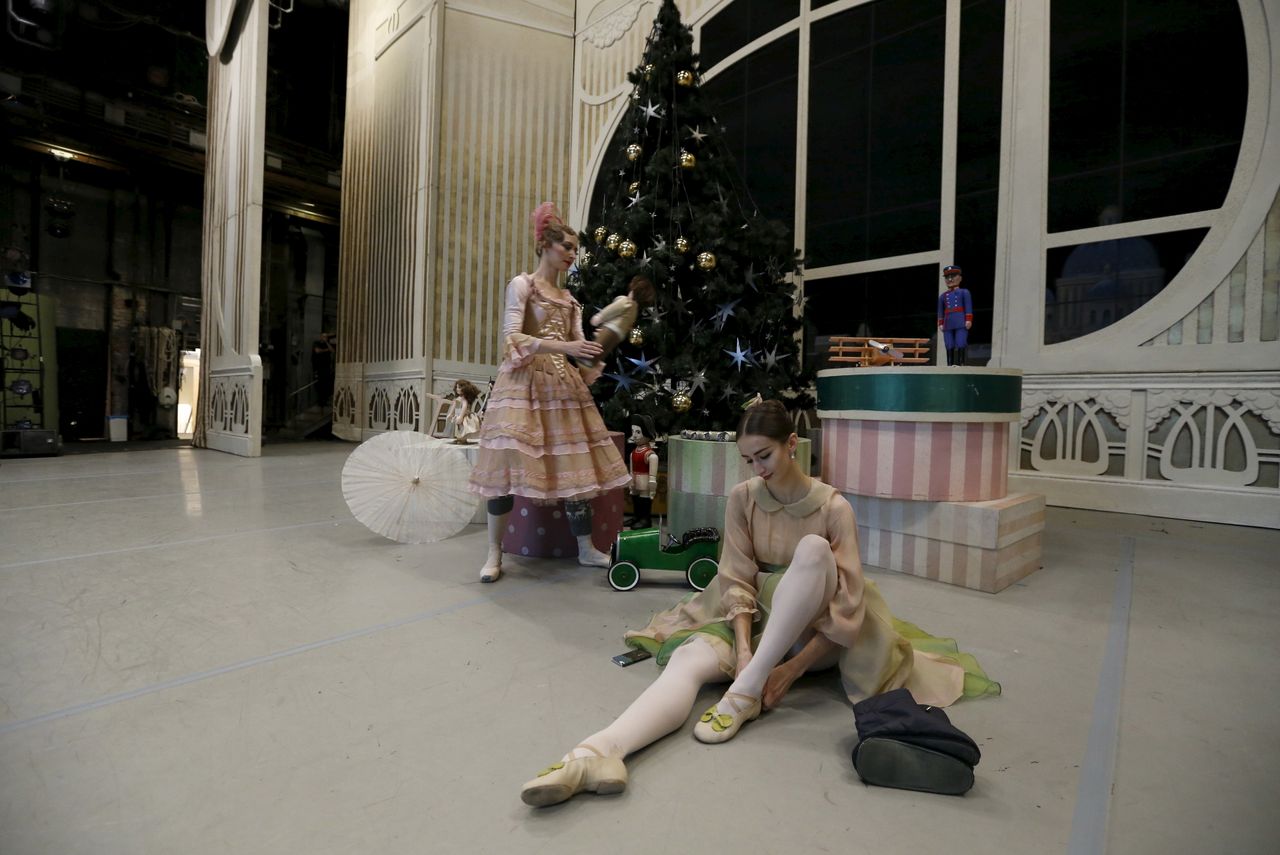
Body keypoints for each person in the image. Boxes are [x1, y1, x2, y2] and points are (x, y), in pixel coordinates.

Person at [519, 399, 998, 807]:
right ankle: (597, 752)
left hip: (817, 630)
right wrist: (747, 650)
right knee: (687, 660)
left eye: (764, 455)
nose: (757, 468)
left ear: (793, 444)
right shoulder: (744, 497)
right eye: (749, 459)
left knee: (812, 551)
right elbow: (736, 576)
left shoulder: (834, 507)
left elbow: (846, 610)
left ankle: (743, 693)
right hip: (753, 618)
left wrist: (787, 671)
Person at [468, 203, 630, 583]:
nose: (573, 255)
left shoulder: (570, 300)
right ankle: (495, 551)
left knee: (575, 466)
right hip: (523, 385)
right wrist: (568, 350)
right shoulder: (522, 284)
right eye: (567, 247)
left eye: (575, 249)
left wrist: (596, 353)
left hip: (561, 387)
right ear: (546, 245)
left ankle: (586, 548)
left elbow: (578, 347)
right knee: (505, 471)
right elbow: (512, 338)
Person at [580, 274, 657, 371]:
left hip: (611, 328)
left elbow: (612, 310)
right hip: (619, 335)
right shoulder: (635, 310)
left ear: (633, 292)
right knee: (605, 348)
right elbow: (629, 324)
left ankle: (588, 359)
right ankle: (593, 362)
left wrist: (600, 317)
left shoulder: (625, 301)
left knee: (599, 344)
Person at [627, 414, 659, 529]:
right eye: (633, 431)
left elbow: (652, 474)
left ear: (647, 432)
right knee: (635, 499)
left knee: (644, 500)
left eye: (638, 432)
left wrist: (652, 484)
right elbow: (631, 469)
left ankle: (645, 519)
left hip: (645, 482)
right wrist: (631, 481)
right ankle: (637, 517)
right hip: (635, 480)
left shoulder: (650, 455)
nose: (634, 435)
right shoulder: (633, 452)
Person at [937, 265, 972, 366]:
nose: (950, 279)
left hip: (961, 320)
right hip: (948, 322)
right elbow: (940, 311)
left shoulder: (964, 292)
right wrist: (940, 322)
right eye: (947, 277)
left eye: (953, 276)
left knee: (961, 342)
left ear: (960, 278)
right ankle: (949, 364)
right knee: (949, 344)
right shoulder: (943, 296)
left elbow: (968, 306)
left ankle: (961, 363)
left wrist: (968, 319)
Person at [445, 379, 482, 444]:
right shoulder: (458, 398)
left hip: (463, 415)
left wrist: (461, 416)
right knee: (457, 428)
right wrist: (451, 414)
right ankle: (458, 438)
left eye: (459, 387)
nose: (457, 389)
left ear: (465, 389)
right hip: (457, 414)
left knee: (463, 427)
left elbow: (464, 407)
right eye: (456, 387)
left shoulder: (464, 400)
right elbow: (454, 406)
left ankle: (463, 439)